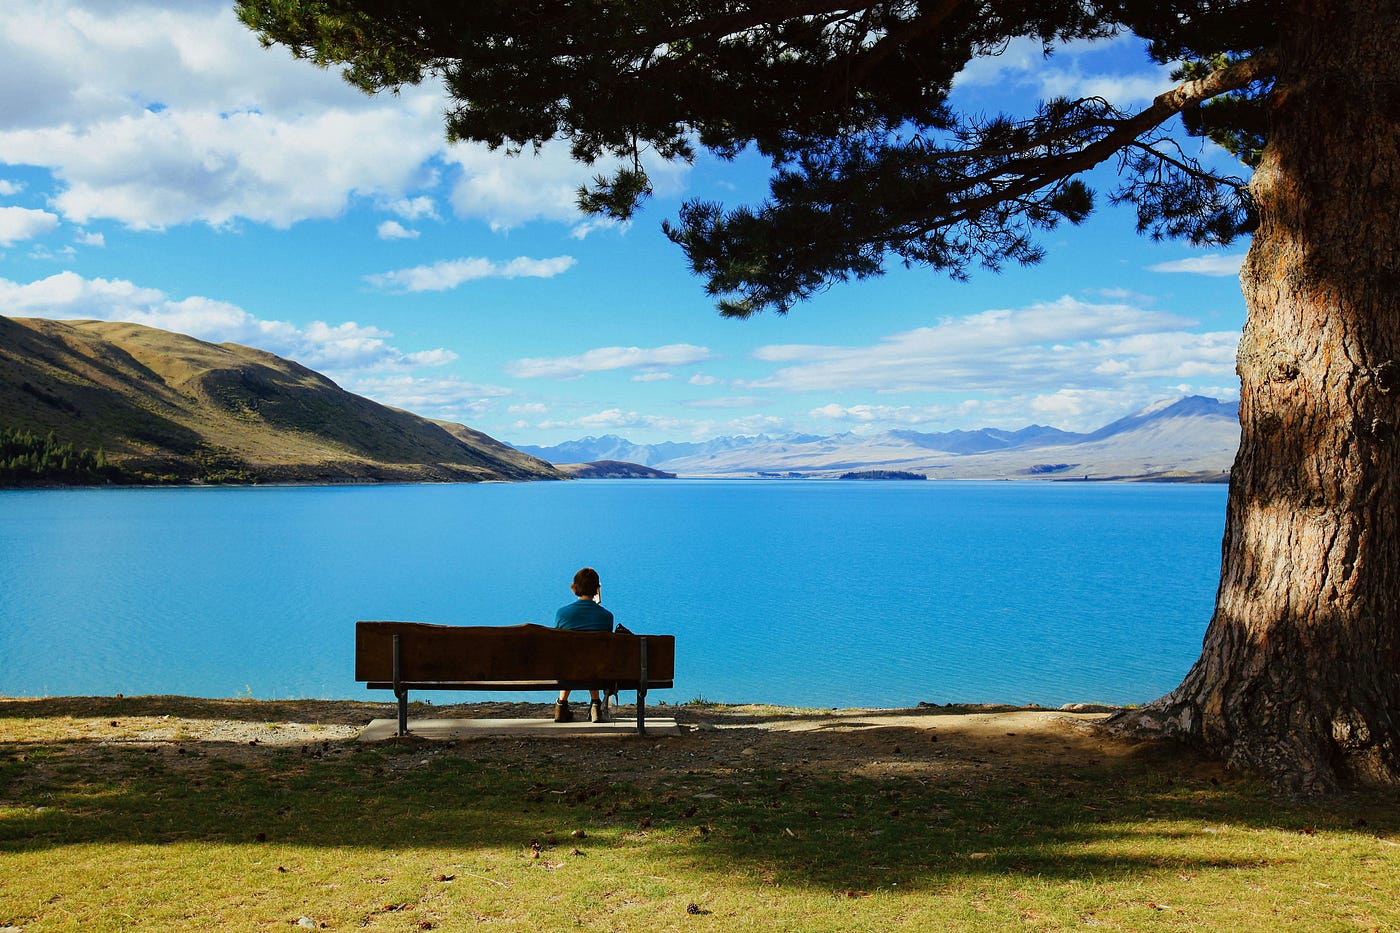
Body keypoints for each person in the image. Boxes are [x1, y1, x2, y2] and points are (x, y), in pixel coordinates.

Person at [553, 566, 615, 723]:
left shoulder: (562, 613)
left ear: (574, 587)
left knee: (571, 657)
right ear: (597, 589)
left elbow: (559, 648)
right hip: (597, 673)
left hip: (567, 673)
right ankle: (595, 704)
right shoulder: (606, 617)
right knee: (591, 657)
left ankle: (561, 705)